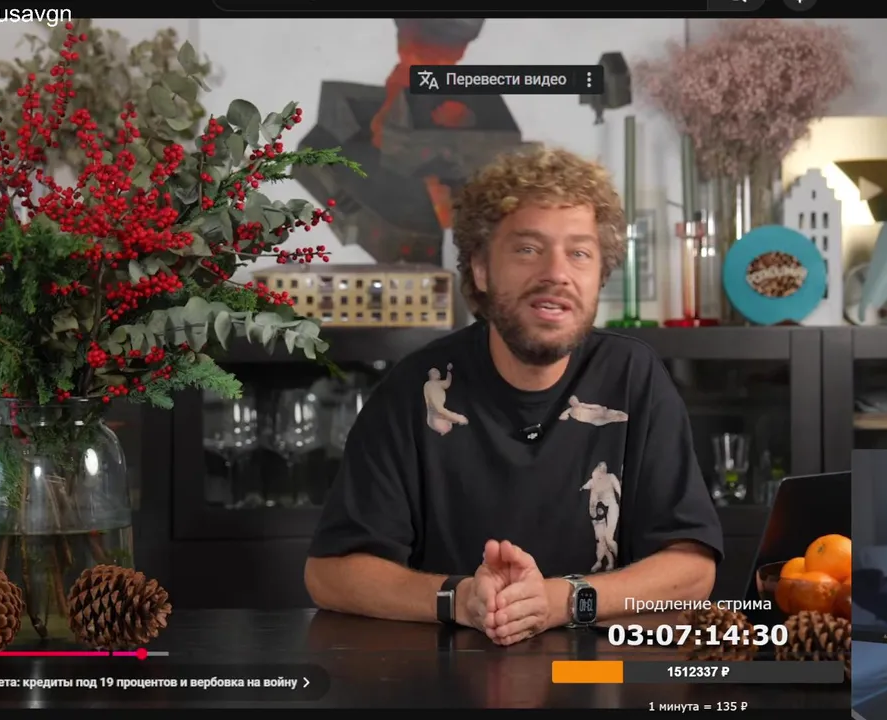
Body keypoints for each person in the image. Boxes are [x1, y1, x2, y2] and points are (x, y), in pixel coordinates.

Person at [305, 146, 723, 646]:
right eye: (527, 249)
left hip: (600, 678)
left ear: (599, 276)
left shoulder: (634, 378)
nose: (556, 273)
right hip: (448, 678)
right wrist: (459, 598)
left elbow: (692, 570)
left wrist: (561, 600)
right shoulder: (415, 388)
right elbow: (331, 574)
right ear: (481, 268)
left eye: (579, 253)